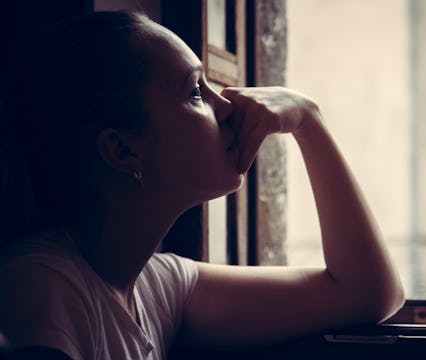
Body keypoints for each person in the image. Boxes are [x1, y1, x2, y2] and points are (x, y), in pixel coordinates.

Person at [0, 10, 405, 359]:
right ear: (123, 150)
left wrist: (308, 119)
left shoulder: (155, 286)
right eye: (196, 91)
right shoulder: (44, 287)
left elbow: (365, 293)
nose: (228, 106)